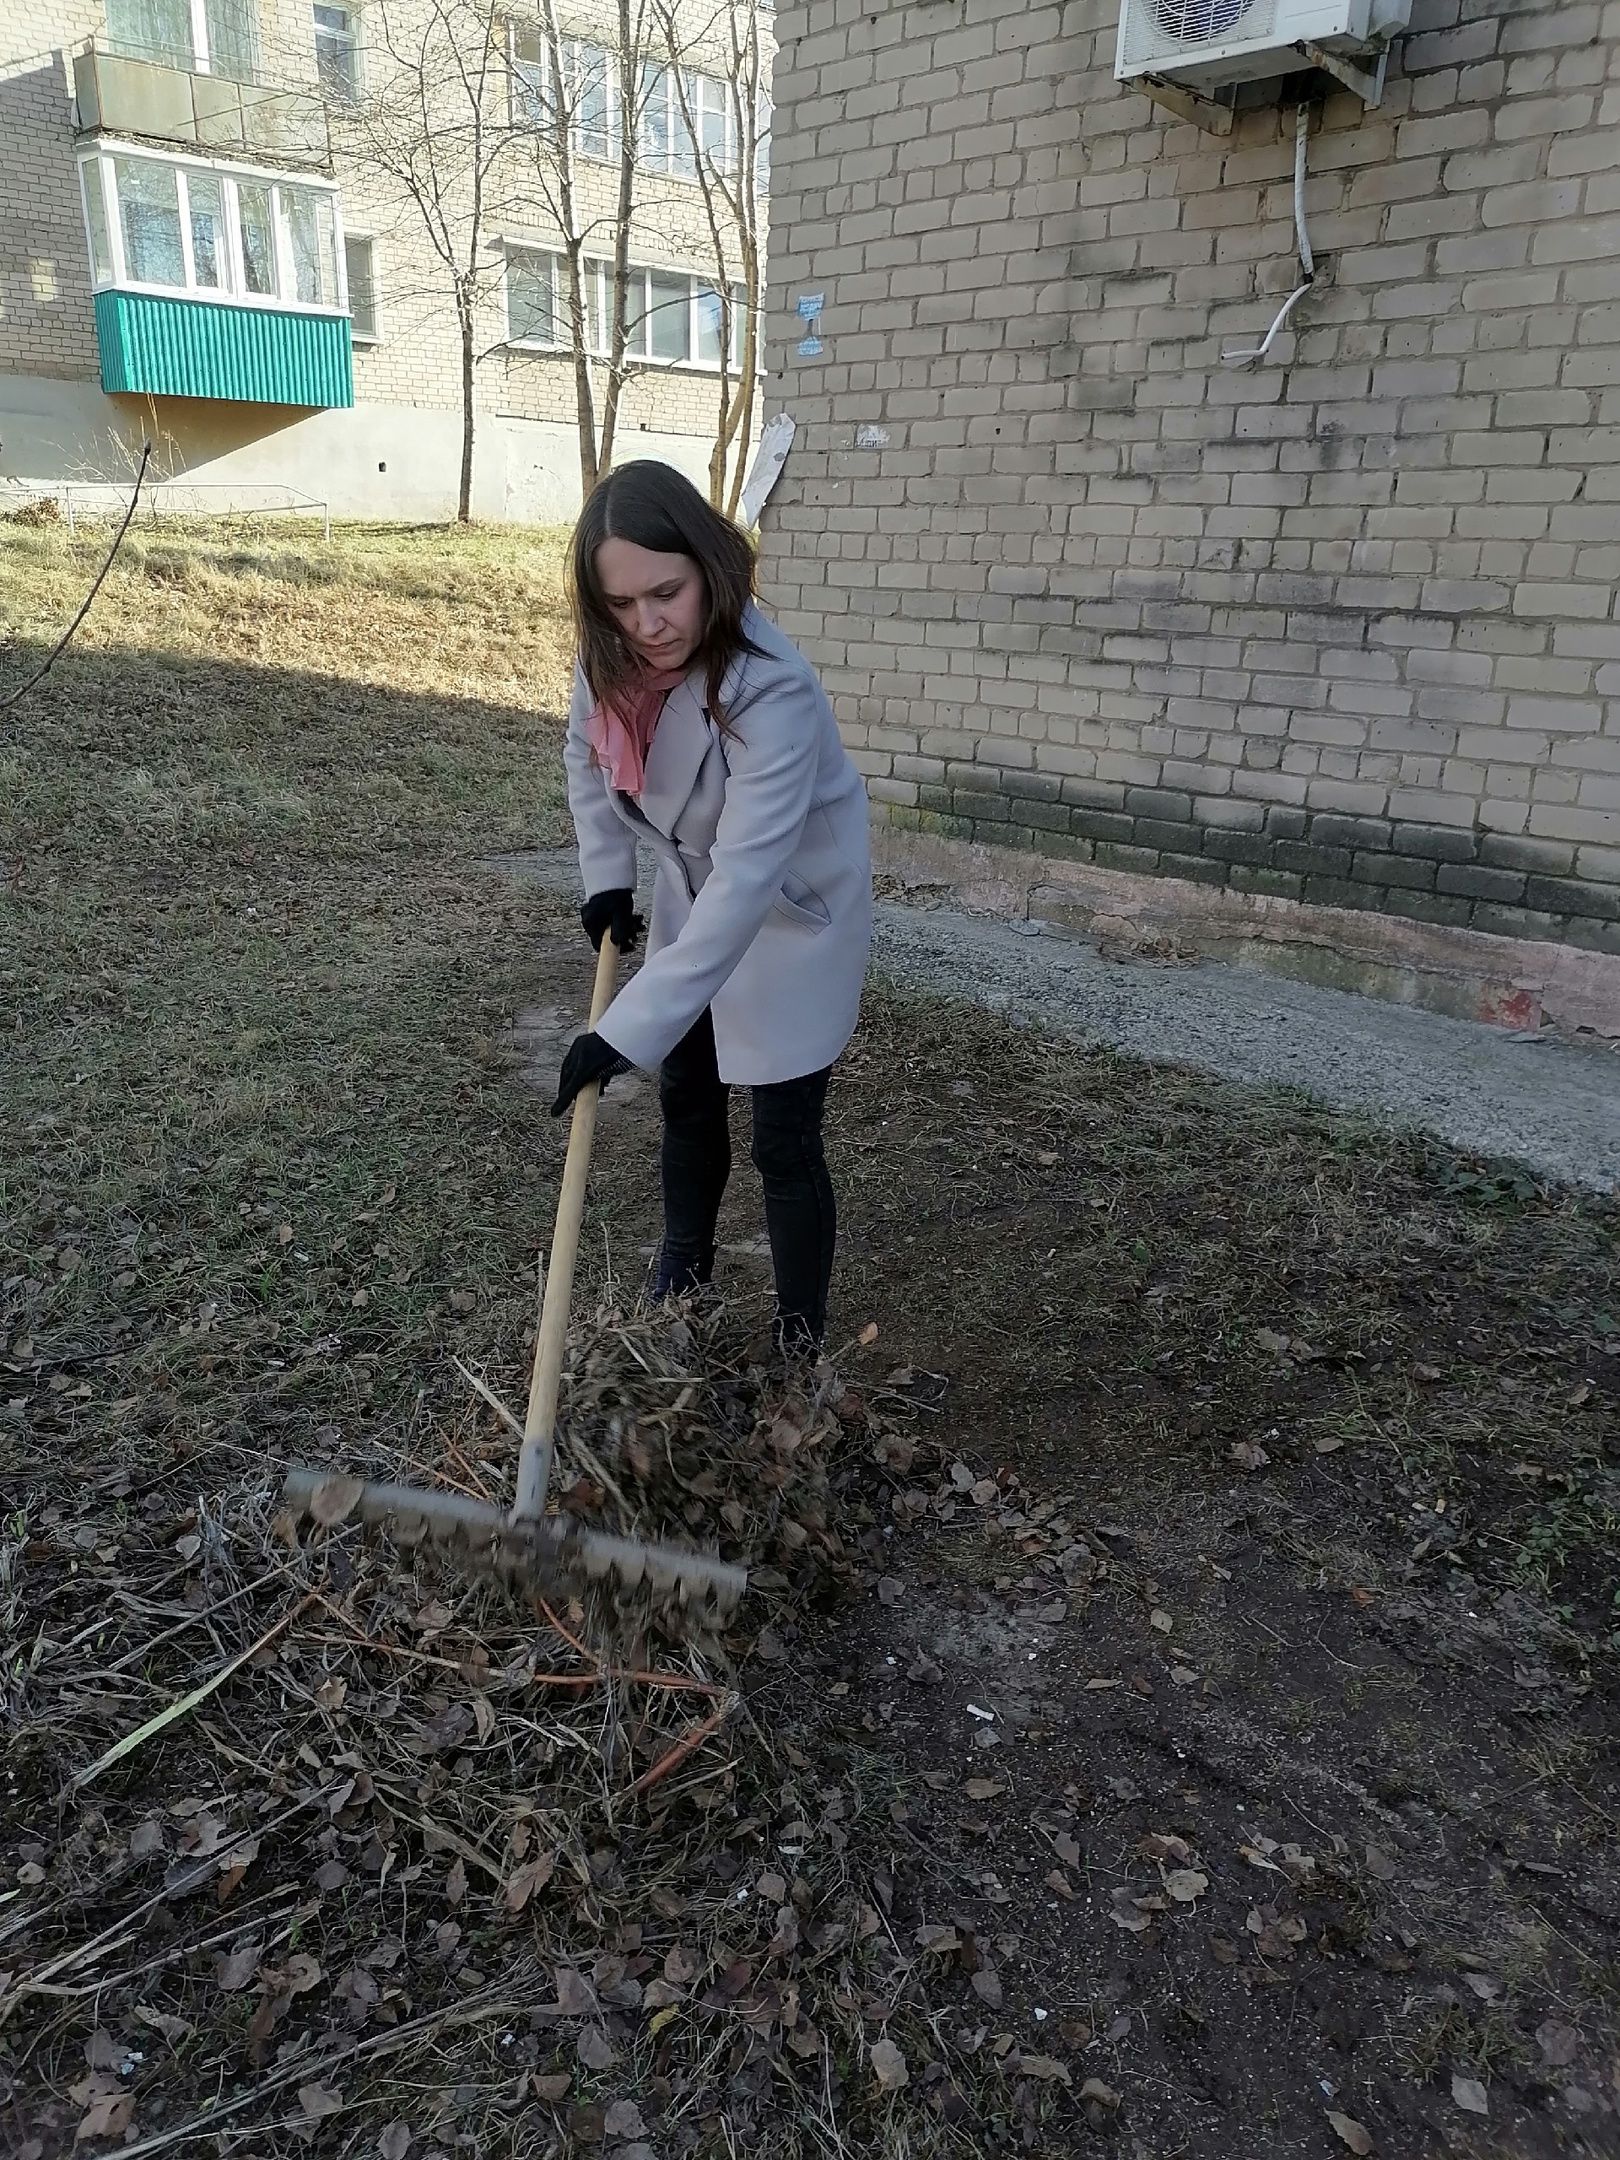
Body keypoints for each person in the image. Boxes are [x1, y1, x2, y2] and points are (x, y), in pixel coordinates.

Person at [553, 460, 873, 1353]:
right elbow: (588, 764)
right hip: (697, 893)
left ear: (709, 567)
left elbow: (744, 883)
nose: (647, 624)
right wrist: (607, 879)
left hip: (790, 909)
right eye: (620, 603)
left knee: (783, 1136)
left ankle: (799, 1336)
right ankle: (682, 1273)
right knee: (687, 1097)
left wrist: (620, 1030)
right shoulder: (613, 660)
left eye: (667, 592)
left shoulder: (774, 689)